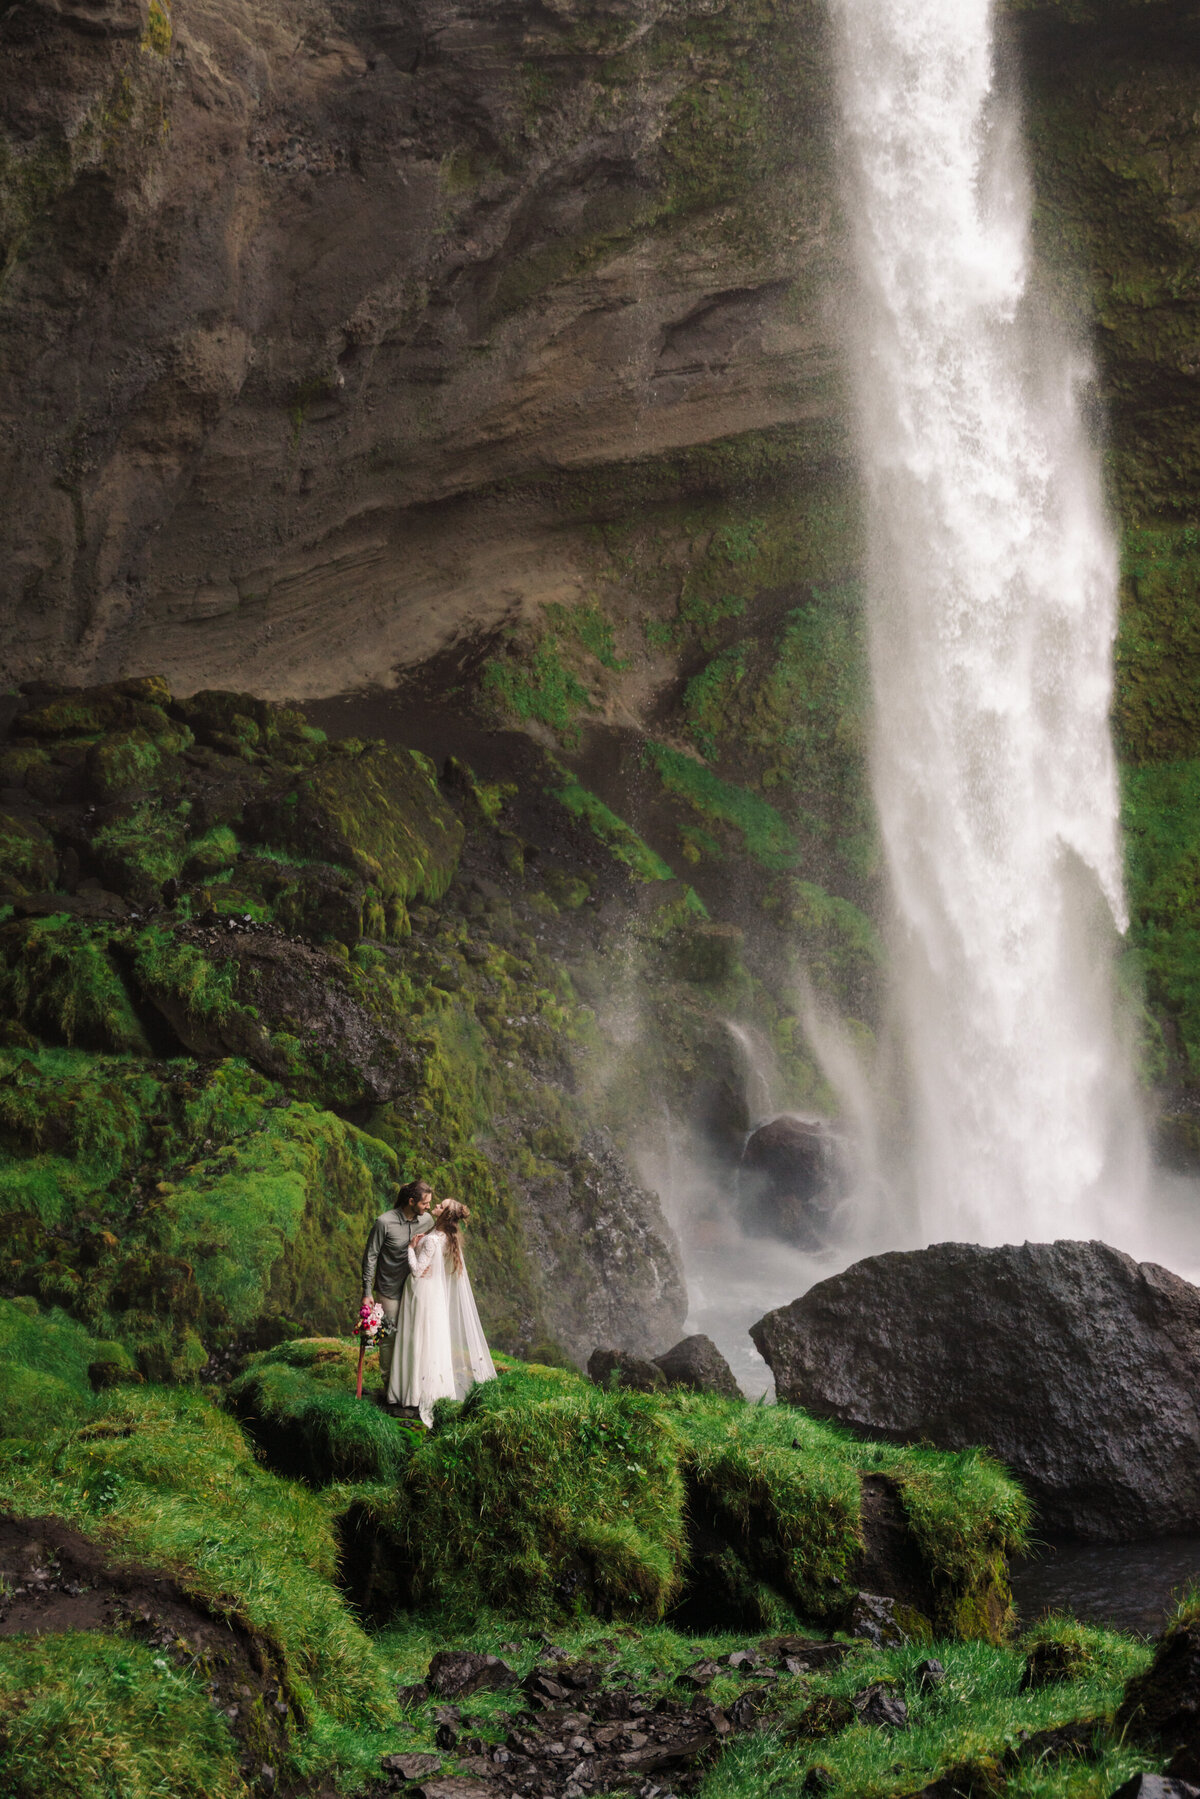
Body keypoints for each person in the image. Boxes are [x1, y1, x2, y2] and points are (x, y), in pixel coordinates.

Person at [390, 1198, 496, 1424]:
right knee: (428, 1342)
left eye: (440, 1205)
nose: (435, 1205)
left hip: (421, 1292)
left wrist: (410, 1248)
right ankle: (424, 1390)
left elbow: (418, 1271)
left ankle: (412, 1394)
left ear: (445, 1214)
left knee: (415, 1341)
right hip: (434, 1294)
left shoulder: (433, 1240)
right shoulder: (448, 1238)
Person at [361, 1179, 435, 1396]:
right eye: (425, 1203)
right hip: (389, 1289)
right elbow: (370, 1257)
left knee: (413, 1337)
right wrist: (367, 1293)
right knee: (389, 1337)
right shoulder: (384, 1222)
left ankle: (409, 1386)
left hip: (416, 1290)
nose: (429, 1207)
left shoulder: (427, 1220)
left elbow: (435, 1245)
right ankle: (388, 1388)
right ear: (411, 1201)